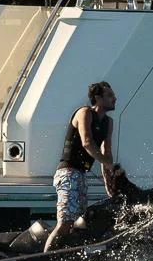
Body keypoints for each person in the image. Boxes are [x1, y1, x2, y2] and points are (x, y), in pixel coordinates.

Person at [45, 81, 121, 251]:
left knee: (78, 224)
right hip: (67, 173)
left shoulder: (108, 122)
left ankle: (65, 255)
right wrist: (109, 163)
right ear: (98, 98)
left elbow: (106, 153)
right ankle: (45, 257)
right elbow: (87, 142)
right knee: (65, 223)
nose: (115, 99)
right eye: (110, 95)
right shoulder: (84, 112)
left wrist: (109, 184)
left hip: (80, 176)